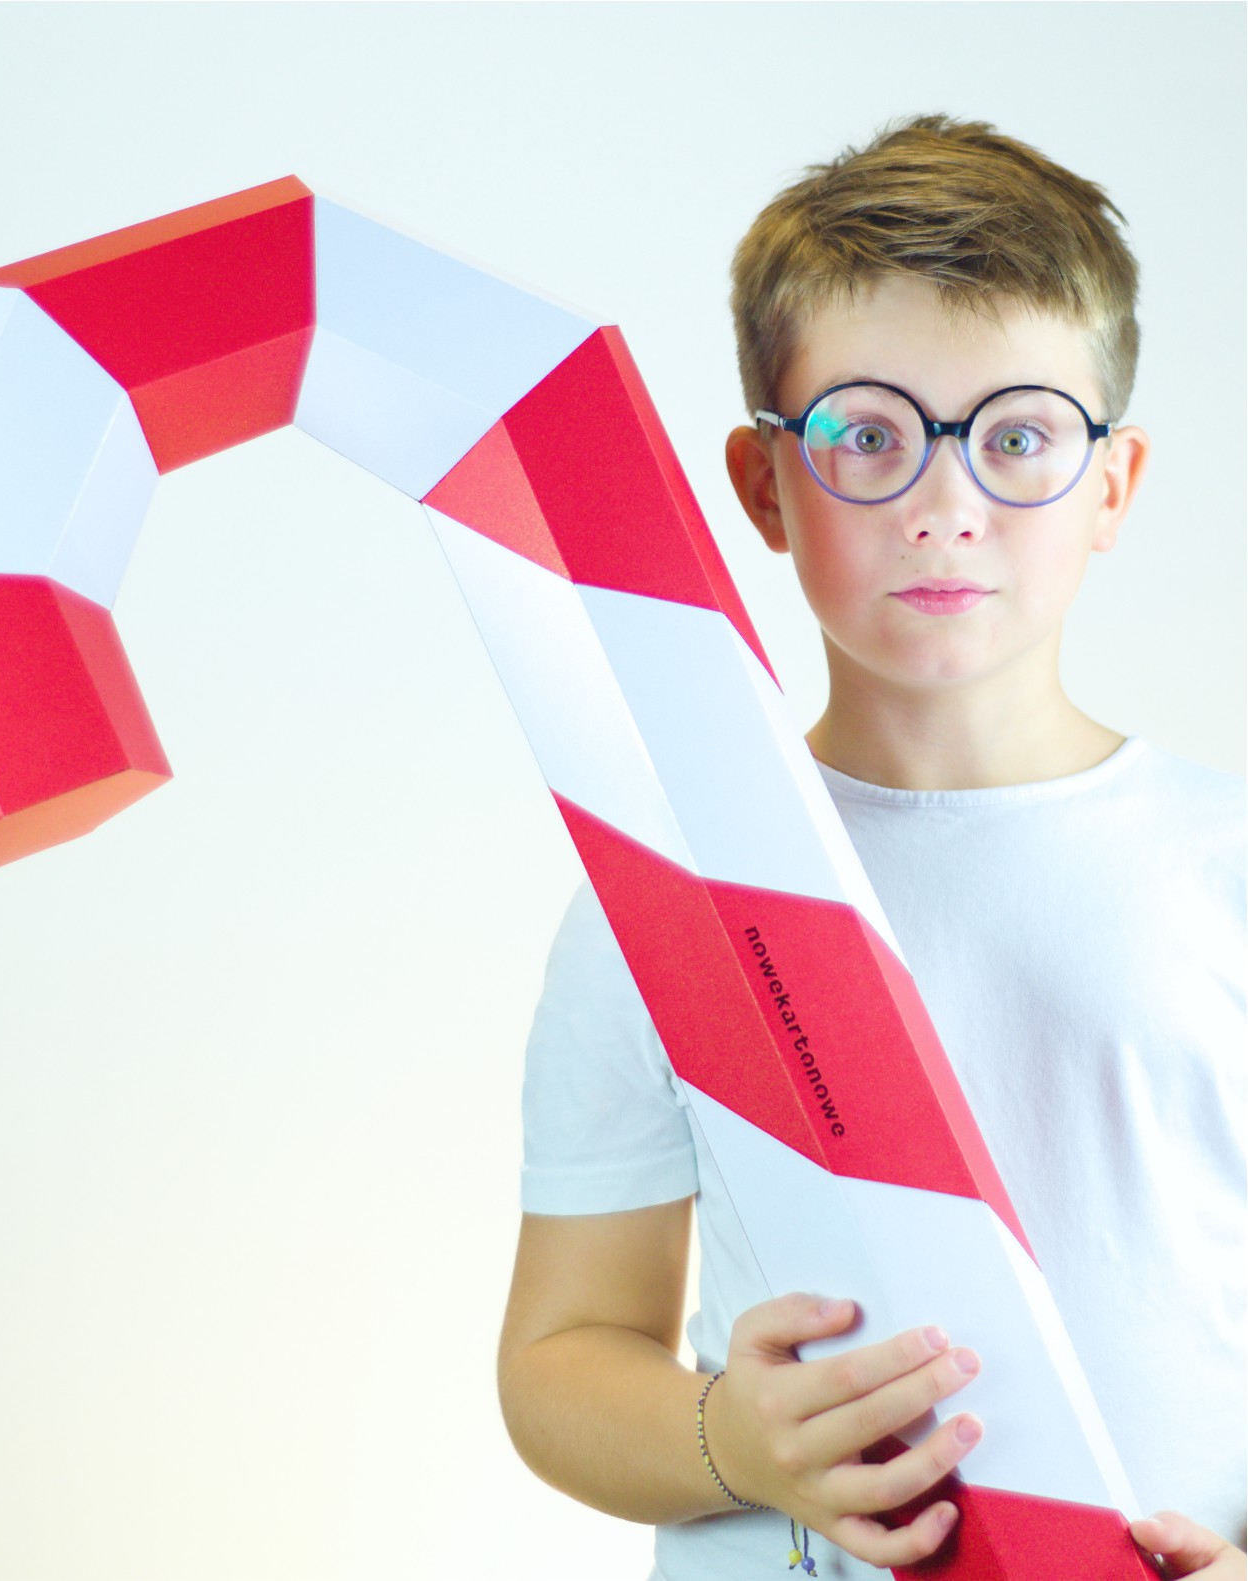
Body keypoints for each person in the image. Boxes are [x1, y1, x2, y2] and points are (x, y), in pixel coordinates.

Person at [496, 115, 1245, 1581]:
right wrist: (730, 1440)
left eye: (1017, 438)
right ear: (762, 486)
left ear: (1112, 483)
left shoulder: (1226, 867)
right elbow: (561, 1354)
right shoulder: (671, 891)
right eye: (866, 439)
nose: (943, 510)